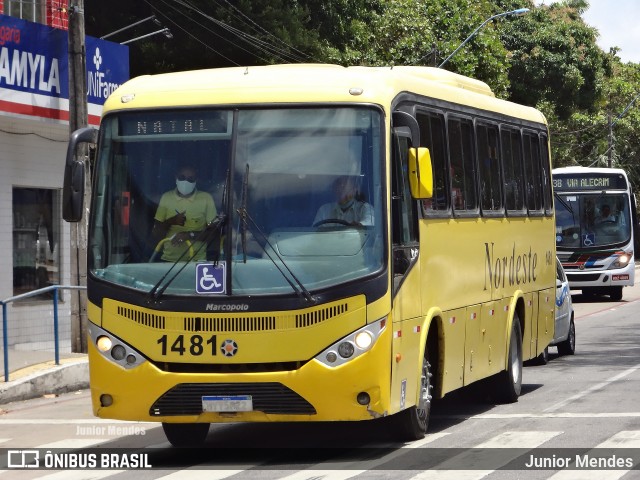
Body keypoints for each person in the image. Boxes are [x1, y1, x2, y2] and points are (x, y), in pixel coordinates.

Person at [151, 164, 217, 261]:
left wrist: (189, 235)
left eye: (190, 179)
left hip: (196, 261)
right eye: (182, 177)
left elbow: (213, 233)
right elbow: (156, 234)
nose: (185, 182)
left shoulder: (206, 199)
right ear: (175, 177)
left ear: (196, 181)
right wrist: (171, 221)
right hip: (169, 261)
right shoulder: (166, 197)